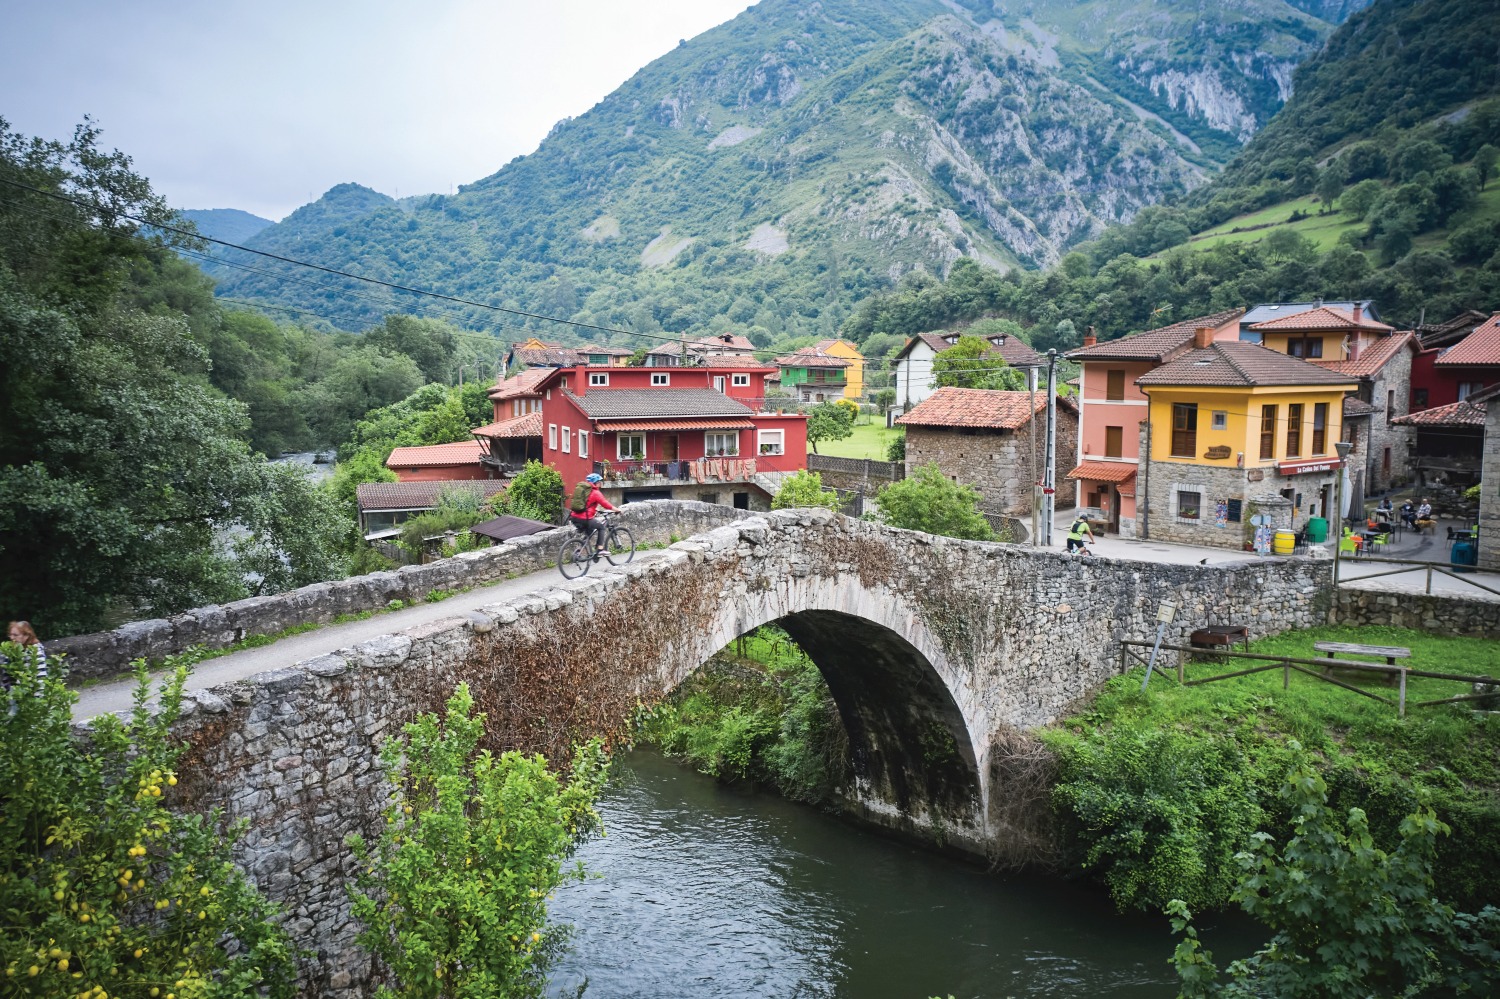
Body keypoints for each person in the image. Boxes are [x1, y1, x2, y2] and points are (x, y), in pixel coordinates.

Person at [568, 473, 617, 557]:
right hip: (584, 518)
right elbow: (605, 504)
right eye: (599, 482)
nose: (600, 484)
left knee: (589, 531)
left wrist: (595, 510)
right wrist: (616, 509)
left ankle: (579, 550)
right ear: (596, 483)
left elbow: (586, 504)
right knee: (601, 527)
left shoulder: (585, 491)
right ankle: (600, 549)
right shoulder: (595, 492)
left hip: (574, 517)